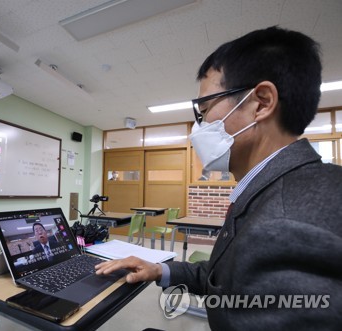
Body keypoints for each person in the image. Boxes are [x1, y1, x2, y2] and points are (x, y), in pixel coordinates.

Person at [96, 26, 342, 330]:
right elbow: (229, 282)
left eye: (204, 110)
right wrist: (161, 270)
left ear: (261, 102)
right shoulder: (271, 188)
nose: (197, 128)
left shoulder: (287, 223)